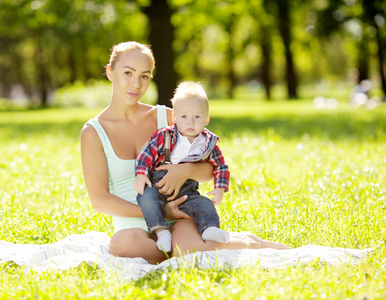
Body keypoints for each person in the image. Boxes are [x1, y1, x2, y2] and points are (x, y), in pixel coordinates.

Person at [80, 41, 290, 265]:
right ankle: (182, 248)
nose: (136, 84)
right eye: (128, 73)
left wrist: (186, 171)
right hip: (134, 225)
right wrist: (161, 212)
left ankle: (253, 243)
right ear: (110, 72)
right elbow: (100, 201)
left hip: (180, 214)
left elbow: (212, 167)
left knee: (188, 249)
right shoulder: (94, 132)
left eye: (145, 76)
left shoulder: (168, 117)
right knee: (122, 245)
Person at [134, 81, 230, 253]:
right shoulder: (165, 136)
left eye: (197, 117)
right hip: (157, 186)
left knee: (205, 204)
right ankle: (161, 231)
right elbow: (145, 155)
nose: (190, 122)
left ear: (206, 118)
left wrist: (220, 188)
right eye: (184, 117)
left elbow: (220, 165)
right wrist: (141, 175)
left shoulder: (207, 143)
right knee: (147, 200)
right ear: (175, 118)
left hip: (187, 192)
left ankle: (209, 229)